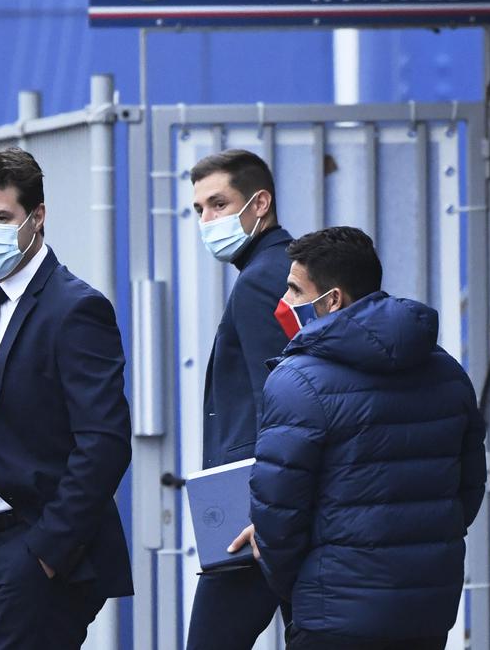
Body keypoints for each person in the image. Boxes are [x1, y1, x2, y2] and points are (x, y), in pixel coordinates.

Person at [0, 147, 133, 650]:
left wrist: (49, 549)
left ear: (36, 217)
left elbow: (104, 442)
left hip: (39, 541)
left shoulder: (77, 308)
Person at [241, 226, 487, 650]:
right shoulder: (447, 371)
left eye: (296, 291)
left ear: (332, 299)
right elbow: (467, 490)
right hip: (426, 613)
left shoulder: (296, 380)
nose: (286, 303)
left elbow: (279, 513)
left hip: (333, 616)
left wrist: (295, 586)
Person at [185, 149, 294, 650]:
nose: (208, 220)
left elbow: (285, 405)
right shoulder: (287, 266)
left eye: (219, 204)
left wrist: (266, 509)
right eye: (199, 209)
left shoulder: (260, 282)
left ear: (260, 203)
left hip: (254, 514)